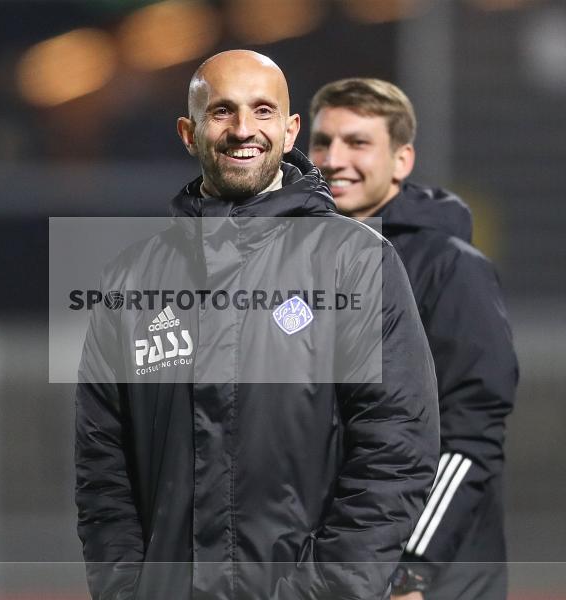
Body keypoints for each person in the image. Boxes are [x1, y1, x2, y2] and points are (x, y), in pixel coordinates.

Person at [74, 51, 439, 600]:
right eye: (222, 111)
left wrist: (321, 592)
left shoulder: (357, 263)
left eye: (263, 110)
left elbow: (397, 451)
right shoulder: (131, 279)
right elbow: (102, 469)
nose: (244, 129)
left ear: (290, 131)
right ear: (189, 133)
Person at [308, 78, 519, 600]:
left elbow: (469, 436)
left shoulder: (451, 268)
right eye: (322, 142)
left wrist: (411, 565)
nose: (334, 159)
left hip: (431, 577)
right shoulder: (304, 261)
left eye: (358, 143)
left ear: (401, 161)